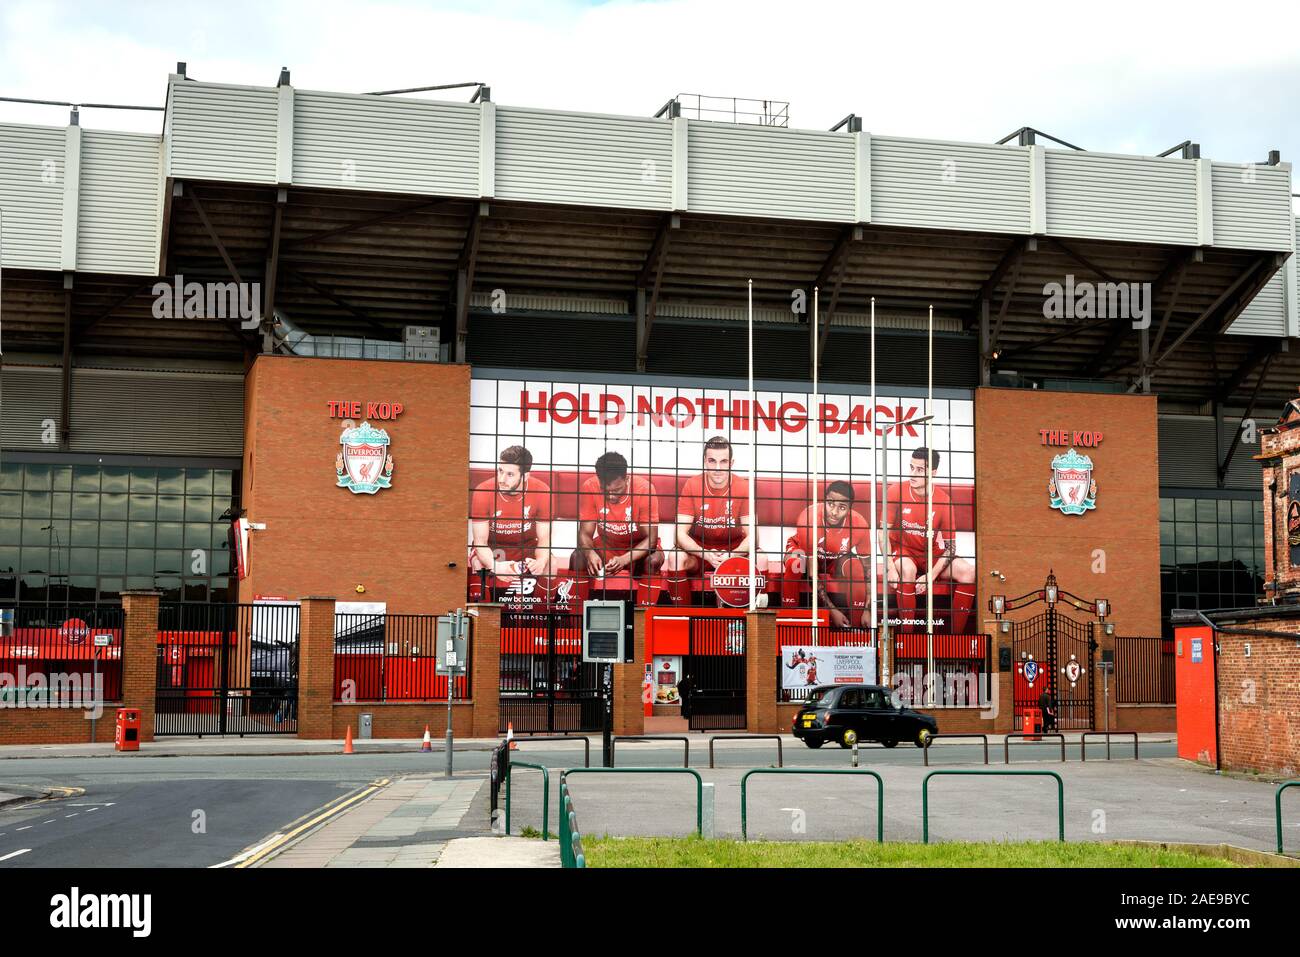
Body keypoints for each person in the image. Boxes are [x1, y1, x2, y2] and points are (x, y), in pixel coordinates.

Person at [881, 447, 977, 633]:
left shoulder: (943, 500)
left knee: (969, 572)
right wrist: (890, 567)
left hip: (930, 553)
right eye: (911, 468)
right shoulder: (895, 491)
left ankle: (955, 639)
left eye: (919, 470)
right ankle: (906, 637)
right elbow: (882, 532)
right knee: (907, 570)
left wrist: (931, 575)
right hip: (904, 551)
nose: (913, 474)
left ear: (932, 473)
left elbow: (951, 547)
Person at [664, 436, 753, 604]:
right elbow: (679, 534)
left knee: (761, 558)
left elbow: (753, 535)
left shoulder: (743, 486)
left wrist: (732, 555)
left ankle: (753, 620)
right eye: (712, 461)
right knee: (675, 557)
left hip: (732, 550)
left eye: (723, 461)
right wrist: (705, 554)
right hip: (699, 551)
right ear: (705, 461)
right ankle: (682, 617)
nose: (718, 468)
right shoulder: (692, 484)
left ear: (731, 463)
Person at [785, 480, 873, 629]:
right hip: (806, 555)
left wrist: (867, 610)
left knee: (856, 566)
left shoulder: (859, 524)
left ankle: (858, 630)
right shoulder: (808, 518)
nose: (834, 512)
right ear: (824, 500)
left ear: (849, 509)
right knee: (795, 564)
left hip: (835, 558)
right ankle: (788, 620)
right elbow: (813, 573)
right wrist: (832, 611)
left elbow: (867, 571)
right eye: (830, 504)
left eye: (842, 507)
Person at [570, 451, 664, 583]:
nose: (611, 496)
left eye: (617, 490)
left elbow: (651, 540)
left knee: (653, 561)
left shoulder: (645, 489)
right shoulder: (590, 486)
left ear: (627, 479)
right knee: (577, 557)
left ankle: (645, 604)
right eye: (605, 491)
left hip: (637, 547)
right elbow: (585, 533)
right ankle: (578, 603)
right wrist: (590, 553)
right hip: (607, 546)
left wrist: (624, 559)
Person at [469, 445, 554, 584]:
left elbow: (544, 539)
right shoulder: (483, 491)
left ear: (525, 475)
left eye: (510, 474)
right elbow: (480, 542)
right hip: (494, 548)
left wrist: (540, 562)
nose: (501, 479)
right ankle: (482, 605)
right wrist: (495, 566)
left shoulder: (543, 491)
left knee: (550, 565)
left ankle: (538, 606)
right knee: (479, 564)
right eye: (500, 471)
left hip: (526, 547)